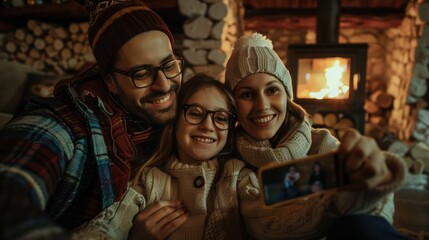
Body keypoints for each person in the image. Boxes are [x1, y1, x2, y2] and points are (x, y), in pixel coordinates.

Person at [0, 0, 183, 239]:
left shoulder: (178, 118)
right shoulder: (65, 127)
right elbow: (10, 192)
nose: (164, 84)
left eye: (168, 65)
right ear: (110, 82)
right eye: (141, 73)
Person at [225, 32, 408, 239]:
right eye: (247, 94)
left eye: (272, 90)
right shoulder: (234, 164)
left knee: (361, 223)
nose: (263, 106)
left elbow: (378, 214)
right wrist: (341, 200)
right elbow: (262, 222)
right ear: (233, 105)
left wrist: (374, 176)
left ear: (288, 96)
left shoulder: (321, 141)